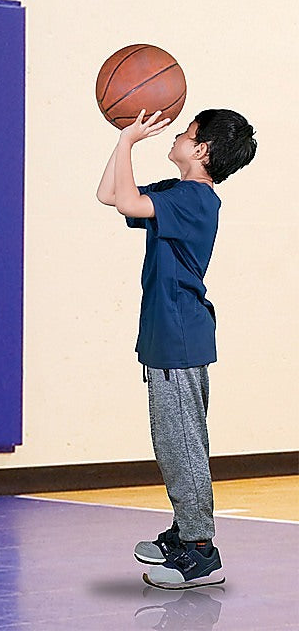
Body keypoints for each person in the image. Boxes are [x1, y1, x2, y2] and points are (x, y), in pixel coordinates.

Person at [96, 107, 257, 589]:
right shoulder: (178, 192)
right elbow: (111, 195)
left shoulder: (193, 198)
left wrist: (129, 142)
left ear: (202, 149)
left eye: (187, 134)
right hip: (170, 334)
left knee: (181, 444)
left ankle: (200, 551)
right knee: (175, 442)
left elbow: (125, 202)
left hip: (179, 334)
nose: (178, 137)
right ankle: (186, 532)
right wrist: (123, 144)